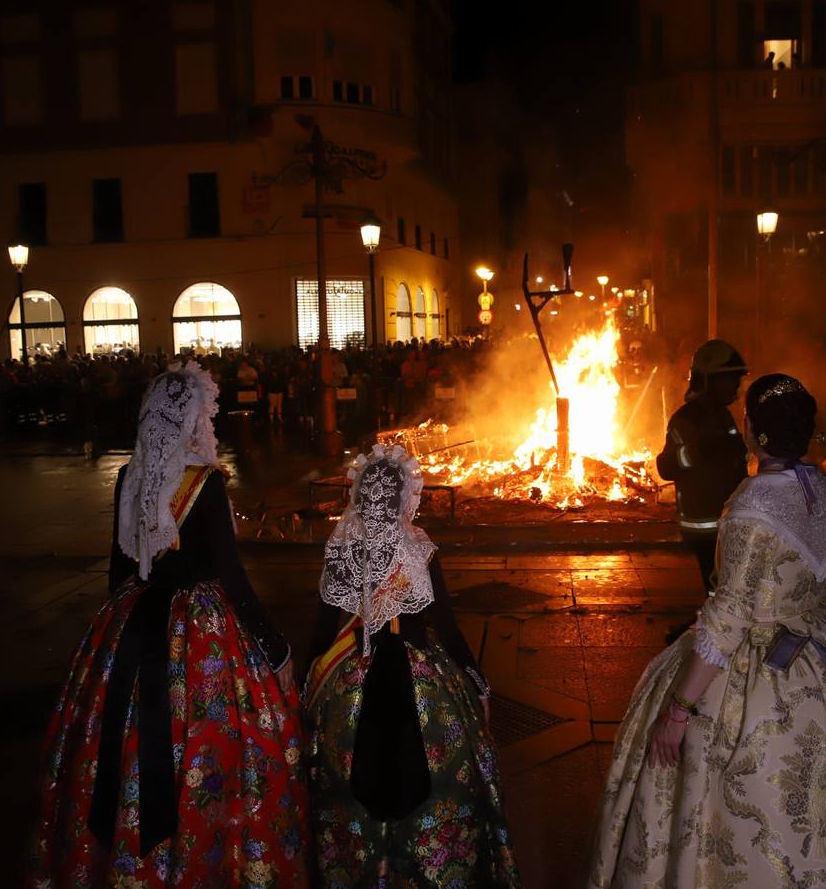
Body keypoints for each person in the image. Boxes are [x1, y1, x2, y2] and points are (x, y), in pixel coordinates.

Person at [588, 374, 826, 888]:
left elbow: (728, 620)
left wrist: (678, 712)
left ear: (751, 430)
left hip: (754, 671)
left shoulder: (750, 506)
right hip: (825, 650)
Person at [29, 361, 309, 887]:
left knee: (117, 743)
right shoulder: (204, 483)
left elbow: (120, 571)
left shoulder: (129, 477)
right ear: (191, 420)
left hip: (130, 623)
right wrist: (275, 650)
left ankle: (124, 860)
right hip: (201, 635)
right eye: (206, 415)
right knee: (215, 746)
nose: (209, 424)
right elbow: (231, 577)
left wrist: (117, 641)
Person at [303, 444, 520, 888]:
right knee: (426, 777)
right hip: (420, 686)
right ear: (406, 497)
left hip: (352, 682)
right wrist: (478, 684)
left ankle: (367, 866)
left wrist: (307, 687)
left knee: (354, 782)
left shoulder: (341, 548)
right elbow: (447, 627)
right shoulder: (419, 548)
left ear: (359, 496)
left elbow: (324, 631)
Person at [657, 339, 750, 597]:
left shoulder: (722, 415)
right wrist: (702, 449)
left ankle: (720, 629)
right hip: (705, 526)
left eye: (735, 379)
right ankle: (716, 633)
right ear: (707, 380)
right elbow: (667, 466)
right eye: (728, 378)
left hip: (727, 521)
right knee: (722, 592)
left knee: (731, 591)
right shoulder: (688, 419)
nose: (734, 385)